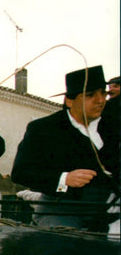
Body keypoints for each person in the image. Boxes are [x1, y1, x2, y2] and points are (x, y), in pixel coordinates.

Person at [12, 65, 119, 231]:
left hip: (110, 207)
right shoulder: (44, 129)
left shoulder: (113, 121)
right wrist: (64, 179)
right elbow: (21, 173)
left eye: (103, 93)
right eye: (90, 95)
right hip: (61, 208)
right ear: (69, 100)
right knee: (64, 249)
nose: (100, 100)